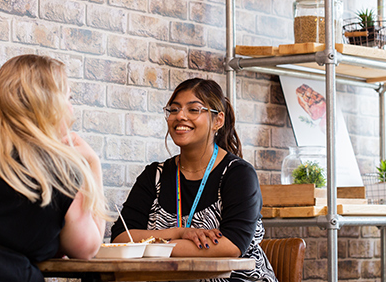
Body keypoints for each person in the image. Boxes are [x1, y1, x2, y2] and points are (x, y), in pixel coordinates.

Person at [0, 55, 108, 282]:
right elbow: (87, 249)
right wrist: (92, 164)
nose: (71, 108)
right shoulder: (59, 167)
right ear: (51, 105)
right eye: (68, 98)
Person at [111, 78, 277, 282]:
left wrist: (153, 246)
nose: (180, 116)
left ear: (218, 120)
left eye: (193, 110)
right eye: (174, 109)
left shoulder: (238, 174)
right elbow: (120, 238)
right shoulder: (154, 176)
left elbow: (231, 246)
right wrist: (179, 233)